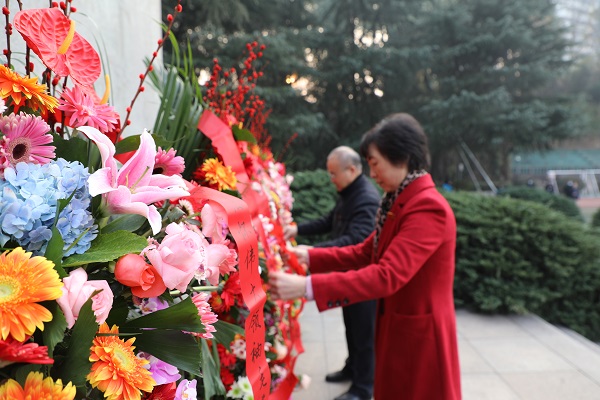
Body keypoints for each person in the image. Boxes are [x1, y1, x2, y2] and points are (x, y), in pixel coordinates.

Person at [270, 113, 462, 400]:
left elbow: (387, 274)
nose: (371, 174)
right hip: (399, 326)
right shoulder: (399, 201)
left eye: (375, 163)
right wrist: (309, 256)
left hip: (420, 335)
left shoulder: (426, 207)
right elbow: (365, 251)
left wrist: (307, 287)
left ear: (401, 158)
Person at [284, 146, 380, 400]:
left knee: (364, 334)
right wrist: (298, 230)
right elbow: (330, 220)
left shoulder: (366, 198)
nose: (331, 179)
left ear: (352, 169)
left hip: (361, 279)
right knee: (352, 328)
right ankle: (352, 368)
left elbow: (356, 241)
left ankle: (363, 388)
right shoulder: (349, 193)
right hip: (347, 273)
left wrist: (314, 252)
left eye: (334, 174)